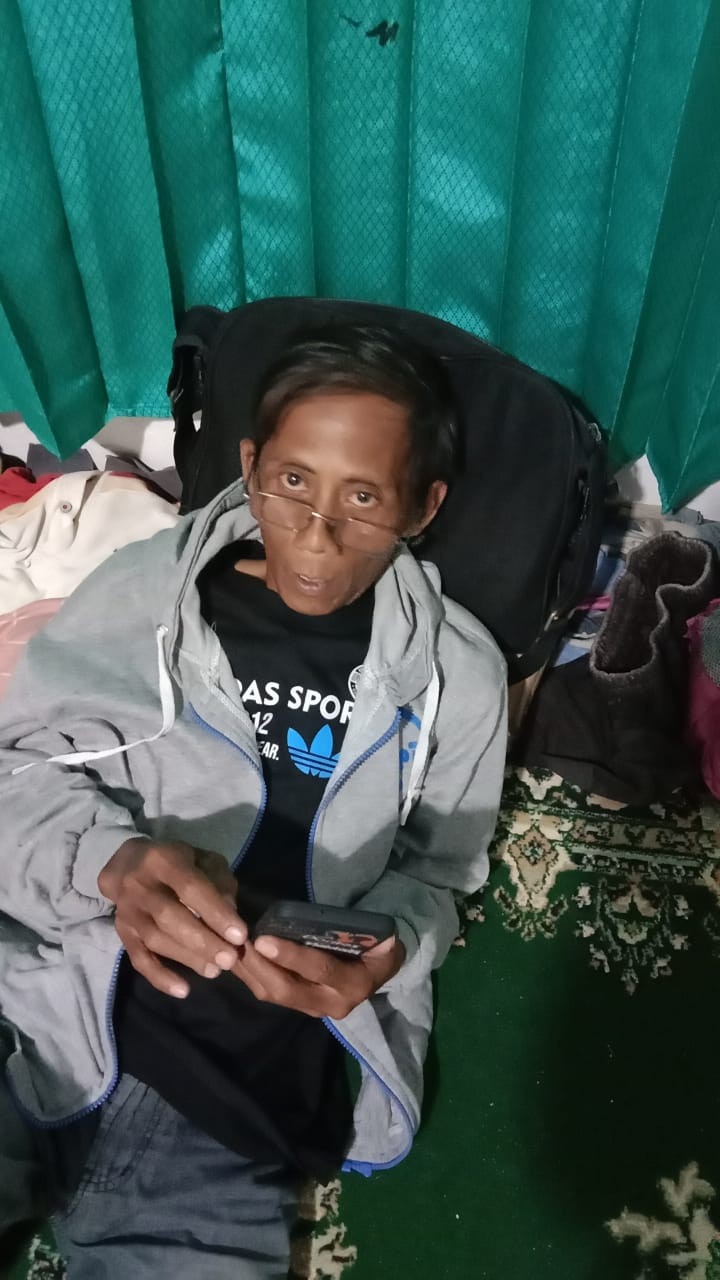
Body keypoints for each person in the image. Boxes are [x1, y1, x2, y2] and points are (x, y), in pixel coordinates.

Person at [0, 324, 507, 1278]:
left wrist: (390, 949)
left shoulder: (459, 674)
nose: (316, 534)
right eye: (293, 483)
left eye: (364, 498)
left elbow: (441, 873)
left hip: (230, 1085)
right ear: (250, 466)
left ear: (423, 506)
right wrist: (109, 862)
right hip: (36, 995)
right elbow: (17, 771)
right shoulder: (145, 594)